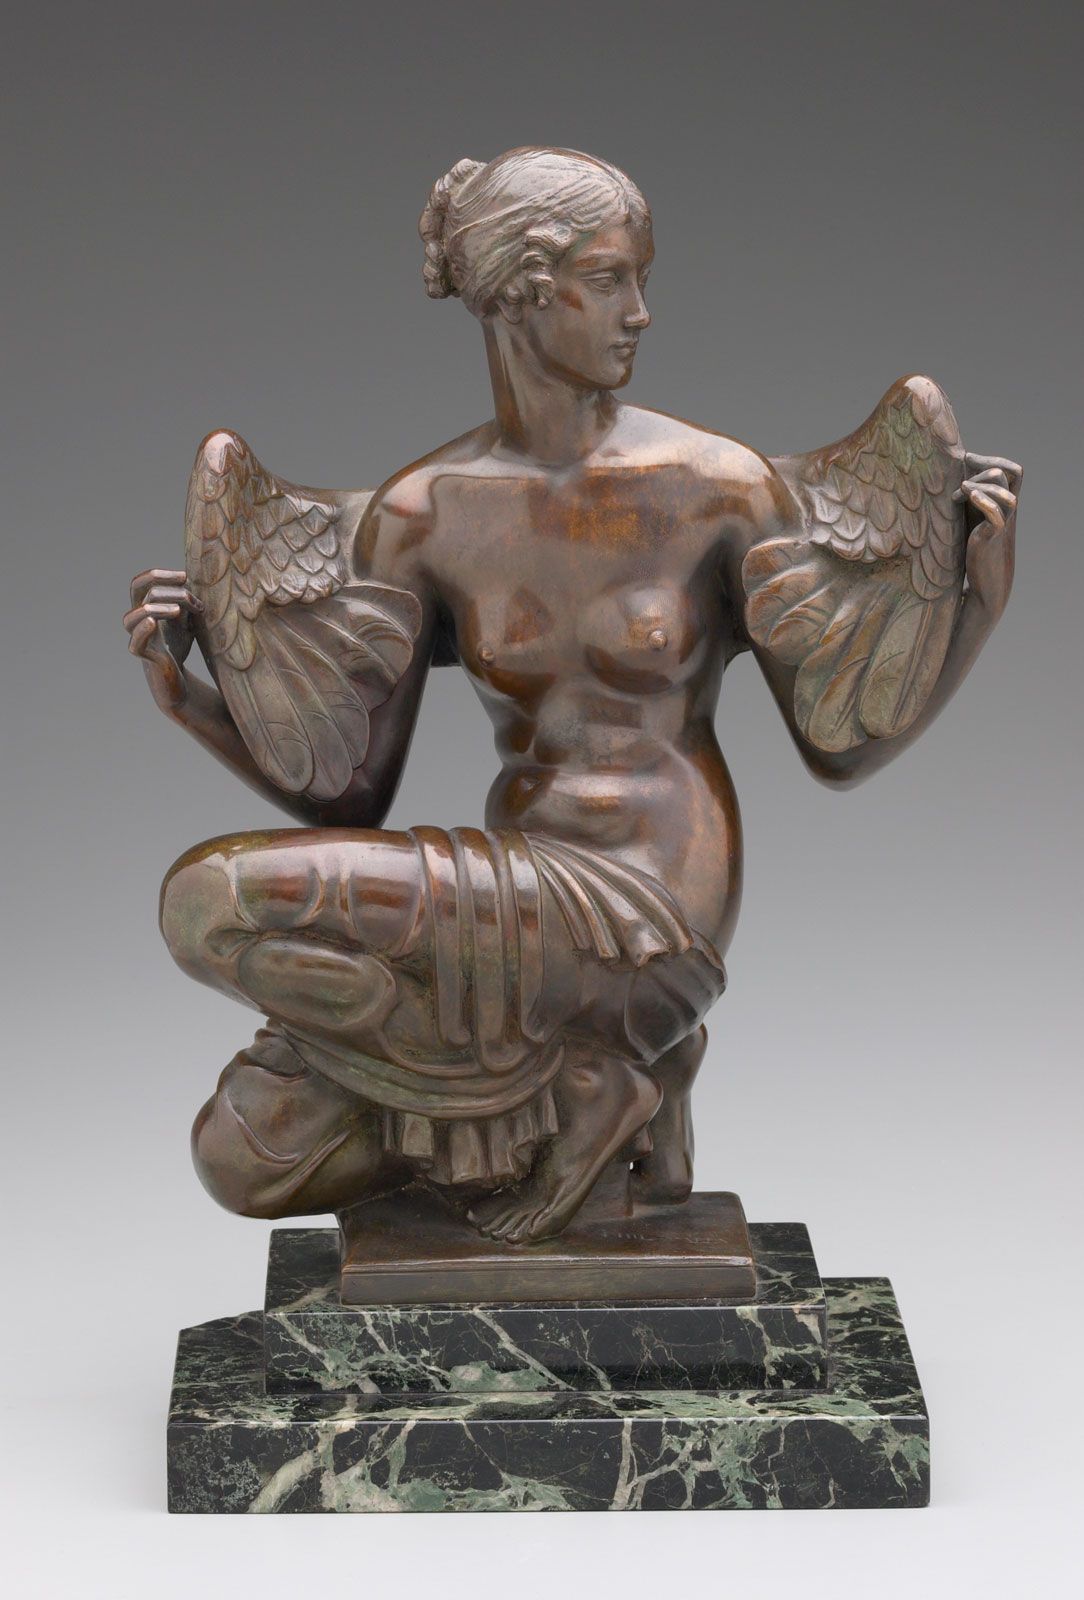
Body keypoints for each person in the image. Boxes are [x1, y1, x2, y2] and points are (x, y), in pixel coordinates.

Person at [124, 148, 1018, 1243]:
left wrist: (974, 613)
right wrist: (192, 700)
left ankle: (591, 1071)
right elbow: (346, 796)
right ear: (523, 290)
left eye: (641, 278)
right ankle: (586, 1081)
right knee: (240, 1161)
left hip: (656, 902)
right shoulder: (424, 511)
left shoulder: (717, 487)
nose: (640, 312)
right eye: (610, 279)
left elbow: (841, 744)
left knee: (204, 902)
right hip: (508, 903)